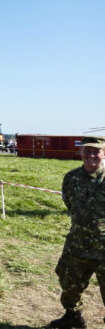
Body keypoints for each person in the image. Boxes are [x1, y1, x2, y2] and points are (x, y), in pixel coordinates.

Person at [47, 136, 105, 329]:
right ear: (80, 152)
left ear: (104, 153)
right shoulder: (71, 178)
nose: (91, 155)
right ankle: (73, 318)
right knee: (68, 283)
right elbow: (69, 204)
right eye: (87, 150)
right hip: (77, 245)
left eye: (96, 151)